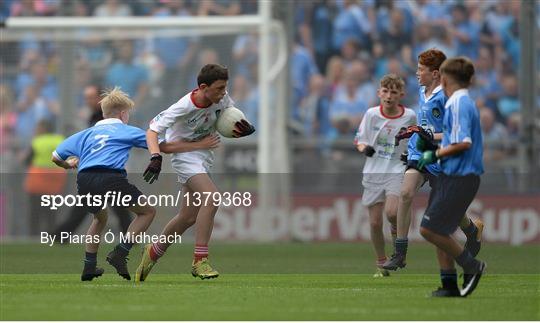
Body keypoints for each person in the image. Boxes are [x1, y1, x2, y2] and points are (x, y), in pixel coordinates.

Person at [135, 64, 255, 282]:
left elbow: (228, 118)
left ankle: (153, 251)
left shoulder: (222, 98)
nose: (223, 93)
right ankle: (200, 260)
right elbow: (152, 132)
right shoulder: (183, 106)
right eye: (218, 88)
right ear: (202, 87)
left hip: (203, 156)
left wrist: (241, 128)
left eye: (224, 88)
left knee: (188, 216)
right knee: (212, 197)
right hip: (185, 157)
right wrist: (155, 157)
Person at [51, 87, 180, 282]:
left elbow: (55, 156)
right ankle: (120, 252)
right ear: (123, 113)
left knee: (99, 219)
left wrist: (68, 164)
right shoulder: (126, 130)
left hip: (85, 179)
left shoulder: (86, 133)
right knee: (147, 212)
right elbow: (161, 144)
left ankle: (89, 267)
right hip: (110, 177)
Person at [383, 49, 483, 271]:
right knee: (406, 193)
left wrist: (428, 135)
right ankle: (400, 253)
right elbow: (424, 123)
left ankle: (471, 230)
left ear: (436, 73)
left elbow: (452, 132)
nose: (417, 73)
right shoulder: (422, 90)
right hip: (420, 154)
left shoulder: (446, 97)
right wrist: (415, 134)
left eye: (421, 69)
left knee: (451, 211)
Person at [416, 56, 486, 297]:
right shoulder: (462, 101)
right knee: (440, 229)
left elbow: (463, 142)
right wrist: (431, 139)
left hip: (460, 175)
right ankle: (448, 285)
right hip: (453, 173)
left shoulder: (457, 104)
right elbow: (453, 136)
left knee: (428, 229)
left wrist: (434, 154)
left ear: (444, 78)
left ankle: (472, 266)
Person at [355, 74, 416, 278]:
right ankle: (381, 263)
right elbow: (359, 140)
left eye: (394, 92)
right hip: (373, 171)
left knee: (392, 213)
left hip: (397, 169)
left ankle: (399, 250)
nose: (389, 96)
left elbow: (416, 140)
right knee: (374, 223)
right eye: (386, 91)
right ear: (379, 93)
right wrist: (365, 149)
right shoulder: (371, 114)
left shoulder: (409, 116)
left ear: (401, 95)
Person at [52, 85, 133, 239]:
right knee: (117, 205)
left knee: (111, 205)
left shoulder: (103, 119)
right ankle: (130, 237)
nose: (87, 101)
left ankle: (61, 235)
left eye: (90, 97)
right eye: (86, 98)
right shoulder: (95, 117)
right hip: (103, 170)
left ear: (99, 99)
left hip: (105, 169)